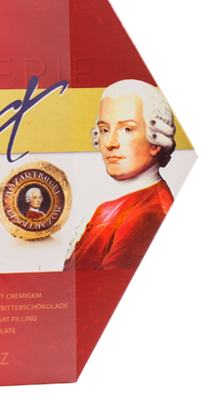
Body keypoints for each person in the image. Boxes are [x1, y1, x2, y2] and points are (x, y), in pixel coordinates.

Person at [64, 79, 176, 271]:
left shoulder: (149, 216)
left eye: (127, 129)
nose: (110, 143)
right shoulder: (117, 199)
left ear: (155, 141)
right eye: (104, 130)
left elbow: (111, 287)